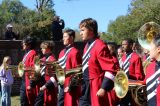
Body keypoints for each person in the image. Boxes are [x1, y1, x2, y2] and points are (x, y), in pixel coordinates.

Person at [79, 18, 116, 106]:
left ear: (91, 30)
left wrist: (103, 88)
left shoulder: (100, 45)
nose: (80, 33)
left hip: (95, 86)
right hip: (86, 85)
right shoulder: (87, 46)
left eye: (83, 30)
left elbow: (110, 69)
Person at [57, 29, 82, 106]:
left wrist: (70, 86)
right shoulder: (61, 52)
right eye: (63, 37)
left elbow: (77, 72)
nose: (63, 39)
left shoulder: (75, 52)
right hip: (61, 83)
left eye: (65, 36)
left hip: (70, 85)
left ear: (71, 38)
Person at [139, 22, 160, 106]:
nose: (148, 49)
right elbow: (145, 82)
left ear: (158, 49)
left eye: (151, 47)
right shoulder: (150, 67)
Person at [119, 38, 145, 105]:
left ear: (131, 45)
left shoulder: (136, 57)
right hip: (124, 86)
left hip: (132, 87)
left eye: (125, 44)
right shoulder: (123, 57)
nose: (123, 46)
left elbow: (139, 74)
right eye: (122, 44)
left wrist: (131, 80)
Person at [36, 41, 58, 106]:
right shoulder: (43, 59)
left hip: (49, 87)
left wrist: (45, 86)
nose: (41, 49)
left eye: (43, 48)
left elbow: (54, 78)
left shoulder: (52, 60)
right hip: (43, 86)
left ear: (48, 49)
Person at [20, 36, 37, 106]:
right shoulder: (26, 54)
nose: (22, 44)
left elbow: (33, 68)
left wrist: (31, 83)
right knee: (23, 101)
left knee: (27, 101)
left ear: (29, 44)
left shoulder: (33, 53)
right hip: (24, 80)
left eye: (24, 43)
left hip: (28, 81)